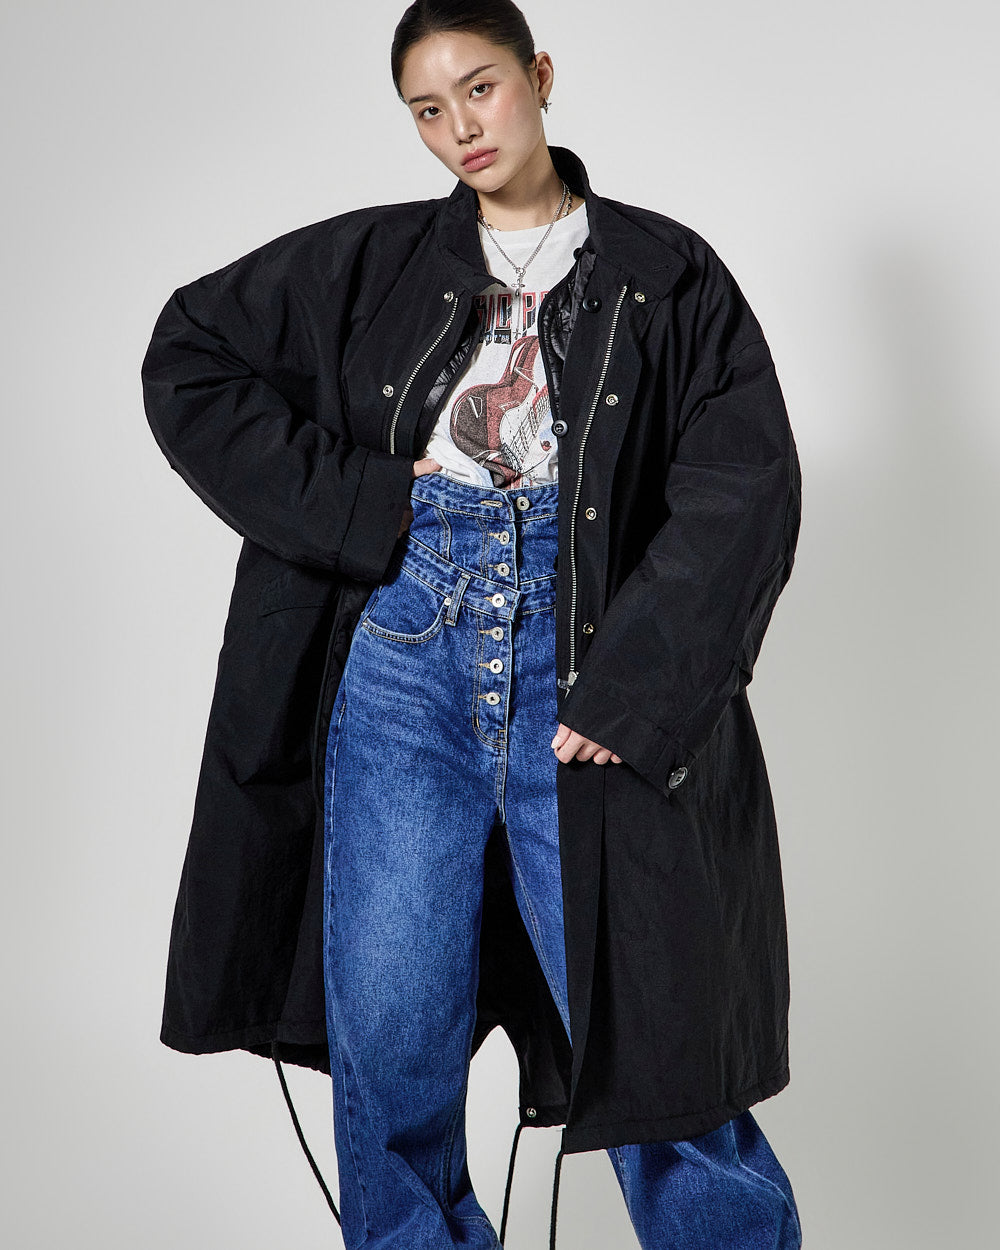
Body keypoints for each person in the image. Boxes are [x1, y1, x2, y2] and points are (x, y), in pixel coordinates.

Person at [141, 2, 804, 1247]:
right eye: (428, 110)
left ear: (539, 74)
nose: (461, 127)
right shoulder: (368, 262)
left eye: (481, 87)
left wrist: (635, 687)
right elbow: (190, 353)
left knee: (652, 1032)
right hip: (403, 657)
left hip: (582, 658)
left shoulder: (666, 271)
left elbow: (743, 484)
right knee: (391, 1032)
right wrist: (362, 504)